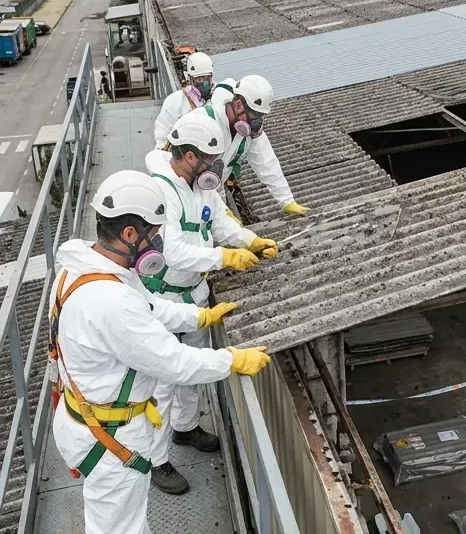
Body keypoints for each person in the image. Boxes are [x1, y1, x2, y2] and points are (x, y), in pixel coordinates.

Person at [50, 170, 272, 534]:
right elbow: (175, 363)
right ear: (129, 234)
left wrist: (198, 315)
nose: (158, 243)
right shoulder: (111, 301)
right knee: (119, 529)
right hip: (112, 438)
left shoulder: (83, 270)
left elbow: (148, 308)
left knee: (119, 521)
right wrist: (231, 360)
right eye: (154, 234)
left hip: (86, 419)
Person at [142, 109, 280, 494]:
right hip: (164, 295)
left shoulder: (202, 186)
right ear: (188, 156)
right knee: (163, 383)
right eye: (208, 160)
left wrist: (248, 240)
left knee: (192, 372)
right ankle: (156, 460)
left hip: (195, 295)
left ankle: (185, 430)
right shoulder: (160, 191)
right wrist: (223, 258)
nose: (214, 168)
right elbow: (170, 250)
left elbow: (219, 222)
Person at [203, 74, 310, 216]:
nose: (256, 121)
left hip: (217, 186)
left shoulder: (249, 130)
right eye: (254, 113)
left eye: (260, 115)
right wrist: (221, 211)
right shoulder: (209, 123)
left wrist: (287, 201)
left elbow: (266, 163)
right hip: (195, 189)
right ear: (239, 104)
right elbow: (198, 173)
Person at [154, 52, 216, 149]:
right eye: (199, 79)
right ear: (190, 79)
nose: (204, 83)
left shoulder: (219, 96)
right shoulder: (175, 101)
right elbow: (163, 133)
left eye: (207, 78)